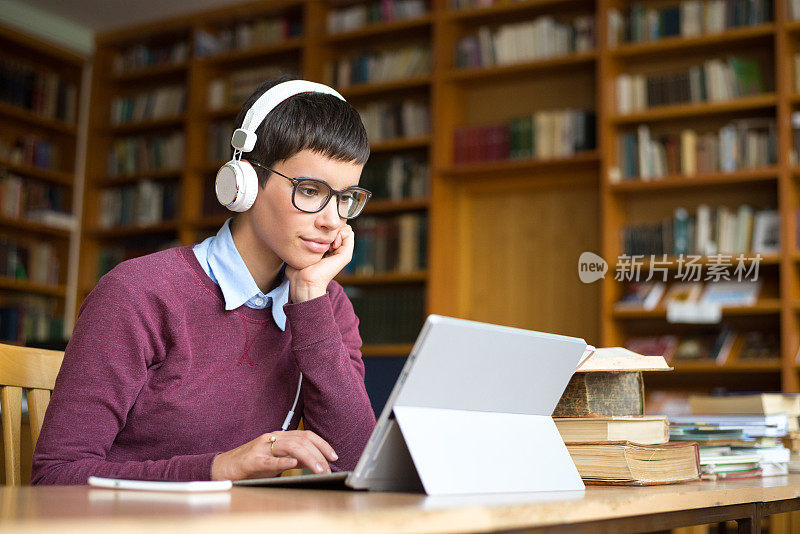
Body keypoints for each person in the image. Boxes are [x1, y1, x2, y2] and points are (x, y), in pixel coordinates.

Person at [31, 75, 377, 484]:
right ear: (242, 183)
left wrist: (309, 301)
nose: (332, 219)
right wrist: (219, 469)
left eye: (347, 197)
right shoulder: (139, 293)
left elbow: (354, 466)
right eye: (310, 190)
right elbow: (54, 477)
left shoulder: (323, 303)